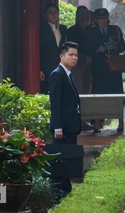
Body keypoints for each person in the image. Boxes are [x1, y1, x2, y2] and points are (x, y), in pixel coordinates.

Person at [48, 41, 81, 197]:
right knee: (60, 160)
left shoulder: (68, 74)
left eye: (76, 55)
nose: (74, 58)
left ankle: (66, 190)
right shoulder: (57, 74)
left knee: (68, 159)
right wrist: (57, 127)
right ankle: (57, 193)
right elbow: (56, 103)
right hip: (62, 128)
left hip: (71, 127)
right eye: (71, 55)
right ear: (62, 56)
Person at [87, 8, 125, 131]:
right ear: (96, 20)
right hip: (99, 68)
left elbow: (123, 46)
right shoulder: (91, 32)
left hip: (114, 68)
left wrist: (116, 46)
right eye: (100, 19)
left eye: (104, 19)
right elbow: (86, 48)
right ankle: (97, 122)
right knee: (97, 95)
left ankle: (121, 121)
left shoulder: (115, 30)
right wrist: (96, 50)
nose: (102, 21)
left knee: (118, 95)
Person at [40, 3, 67, 94]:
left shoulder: (63, 29)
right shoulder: (42, 29)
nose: (53, 14)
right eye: (50, 12)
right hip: (47, 68)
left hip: (61, 66)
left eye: (55, 12)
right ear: (45, 15)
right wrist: (39, 69)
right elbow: (38, 50)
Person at [67, 5, 92, 94]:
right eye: (80, 13)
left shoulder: (91, 30)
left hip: (91, 59)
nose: (83, 16)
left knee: (89, 84)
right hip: (78, 59)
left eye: (85, 13)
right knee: (78, 84)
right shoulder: (71, 30)